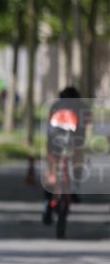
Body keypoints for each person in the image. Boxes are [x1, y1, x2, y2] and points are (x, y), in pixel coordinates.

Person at [42, 86, 89, 224]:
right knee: (77, 160)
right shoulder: (80, 107)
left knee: (51, 173)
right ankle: (75, 188)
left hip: (57, 144)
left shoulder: (57, 106)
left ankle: (47, 202)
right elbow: (84, 128)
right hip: (69, 143)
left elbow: (49, 129)